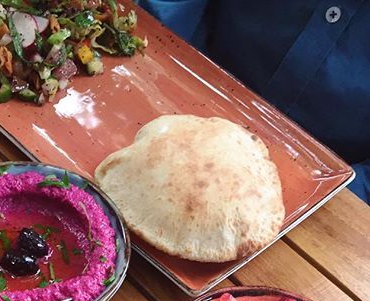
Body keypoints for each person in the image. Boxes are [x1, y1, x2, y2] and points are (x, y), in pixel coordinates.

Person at [138, 0, 370, 202]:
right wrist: (162, 64)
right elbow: (169, 11)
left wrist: (319, 200)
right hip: (177, 87)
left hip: (316, 187)